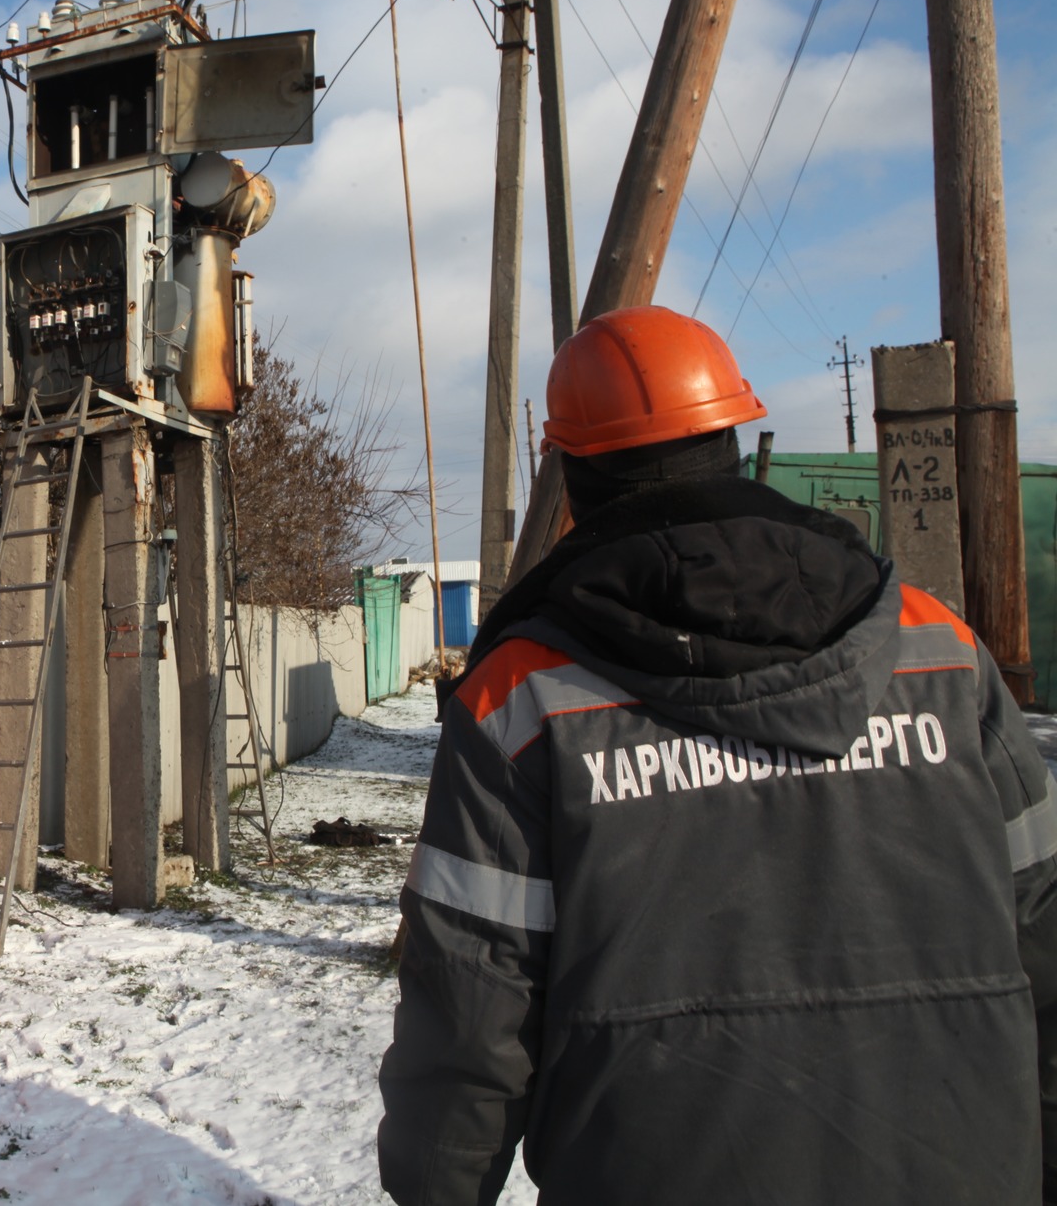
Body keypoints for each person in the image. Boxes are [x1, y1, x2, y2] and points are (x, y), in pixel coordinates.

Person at [375, 305, 1057, 1205]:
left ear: (571, 474)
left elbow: (469, 1009)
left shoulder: (522, 699)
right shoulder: (940, 651)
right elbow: (1042, 917)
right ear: (730, 439)